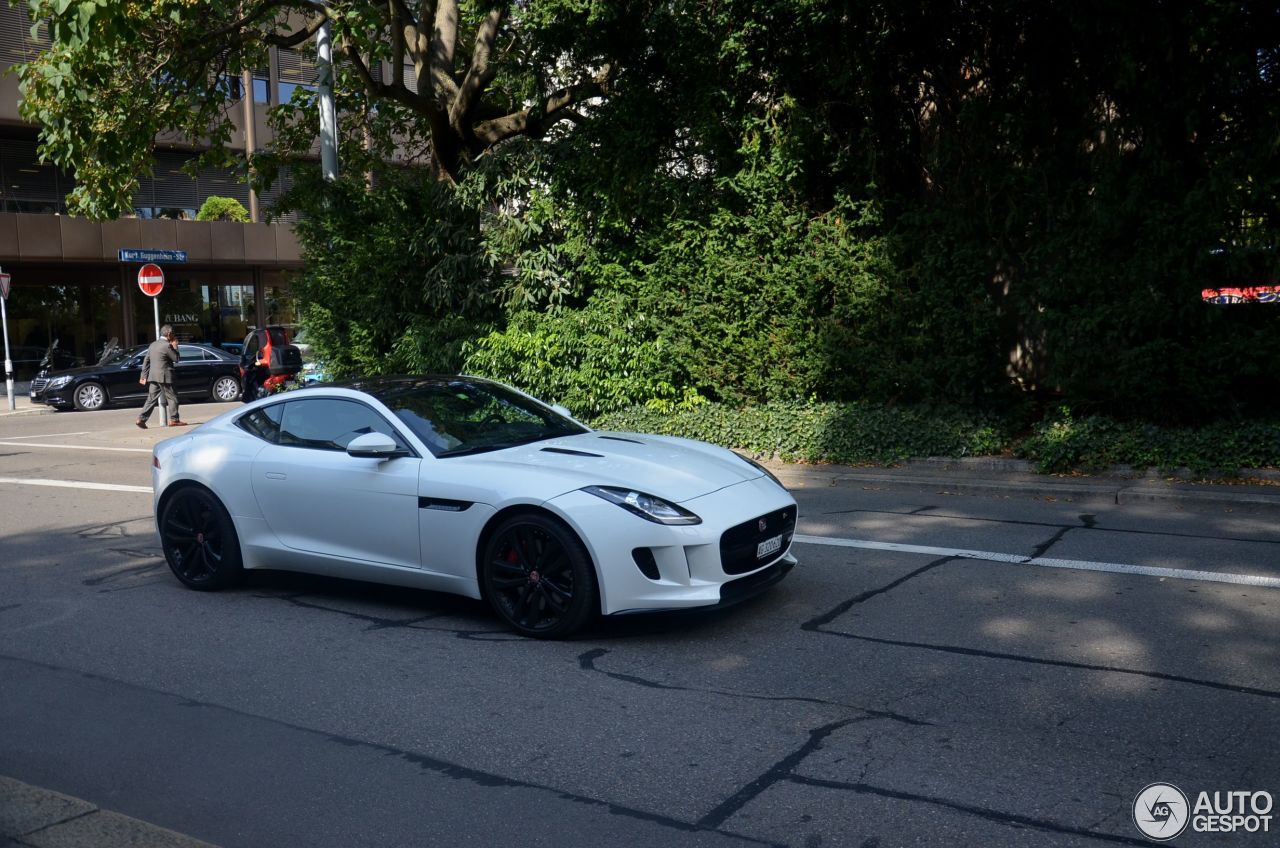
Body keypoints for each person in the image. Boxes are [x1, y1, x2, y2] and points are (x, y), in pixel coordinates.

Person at [135, 325, 185, 428]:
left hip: (153, 376)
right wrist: (175, 346)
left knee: (151, 399)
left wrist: (143, 375)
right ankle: (174, 420)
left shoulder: (153, 344)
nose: (174, 335)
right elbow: (176, 358)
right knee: (172, 398)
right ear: (169, 333)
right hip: (165, 376)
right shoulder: (167, 345)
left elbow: (146, 361)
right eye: (173, 333)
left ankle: (141, 419)